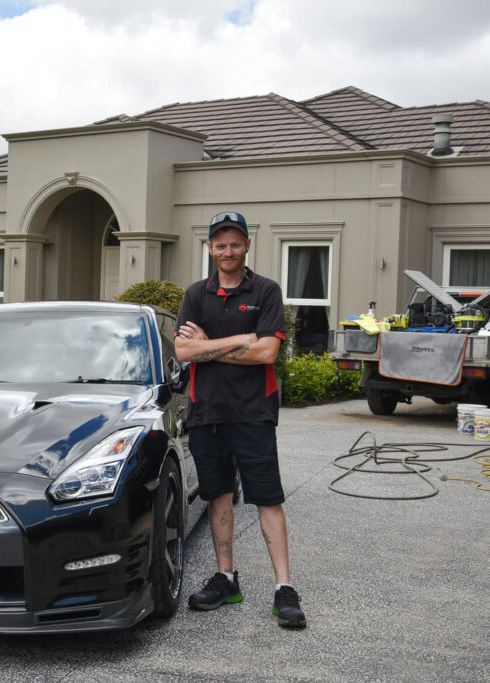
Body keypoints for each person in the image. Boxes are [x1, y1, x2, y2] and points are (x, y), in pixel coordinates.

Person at [173, 210, 307, 629]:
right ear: (210, 248)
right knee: (218, 497)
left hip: (253, 413)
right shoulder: (196, 294)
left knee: (268, 499)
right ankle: (226, 578)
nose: (227, 251)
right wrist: (237, 340)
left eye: (235, 244)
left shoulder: (266, 291)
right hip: (206, 413)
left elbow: (267, 352)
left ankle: (284, 588)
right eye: (220, 244)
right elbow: (183, 351)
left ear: (247, 245)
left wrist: (208, 347)